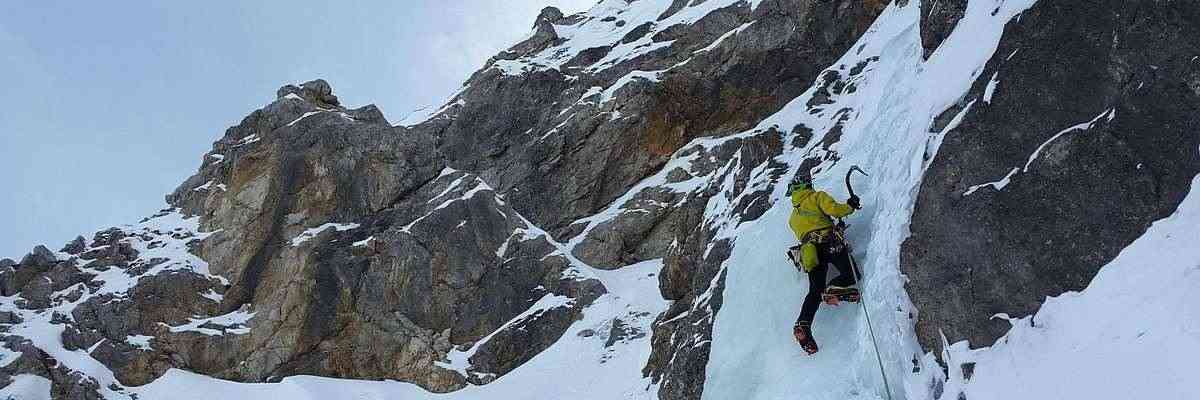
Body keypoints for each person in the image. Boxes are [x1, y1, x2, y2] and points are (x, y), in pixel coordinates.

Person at [785, 172, 861, 355]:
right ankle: (833, 288)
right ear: (807, 185)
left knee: (814, 291)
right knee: (852, 275)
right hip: (830, 243)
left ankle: (803, 324)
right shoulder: (816, 197)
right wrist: (850, 206)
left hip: (809, 253)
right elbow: (835, 210)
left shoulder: (793, 218)